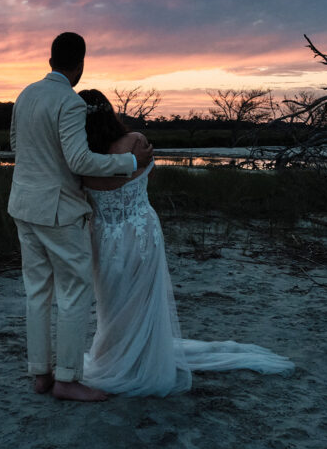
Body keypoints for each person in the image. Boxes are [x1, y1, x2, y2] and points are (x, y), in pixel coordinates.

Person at [77, 89, 295, 397]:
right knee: (141, 300)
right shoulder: (135, 142)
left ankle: (115, 355)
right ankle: (139, 359)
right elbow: (145, 179)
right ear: (110, 113)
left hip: (102, 235)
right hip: (140, 232)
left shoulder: (79, 157)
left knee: (112, 301)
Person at [8, 33, 154, 402]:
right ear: (80, 63)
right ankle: (68, 379)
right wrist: (129, 163)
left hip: (23, 206)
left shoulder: (26, 95)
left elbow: (15, 145)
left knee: (37, 291)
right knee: (74, 291)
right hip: (58, 211)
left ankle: (41, 374)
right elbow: (79, 161)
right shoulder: (70, 103)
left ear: (50, 58)